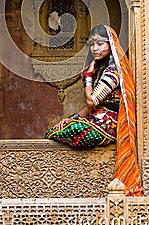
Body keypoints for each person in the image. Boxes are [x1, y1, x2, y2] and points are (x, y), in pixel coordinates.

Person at [44, 24, 143, 196]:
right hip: (98, 119)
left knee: (72, 130)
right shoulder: (102, 69)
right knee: (56, 129)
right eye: (92, 44)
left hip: (110, 125)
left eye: (100, 43)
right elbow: (93, 108)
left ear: (110, 45)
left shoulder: (113, 72)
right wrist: (71, 118)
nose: (95, 48)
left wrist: (88, 77)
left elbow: (92, 101)